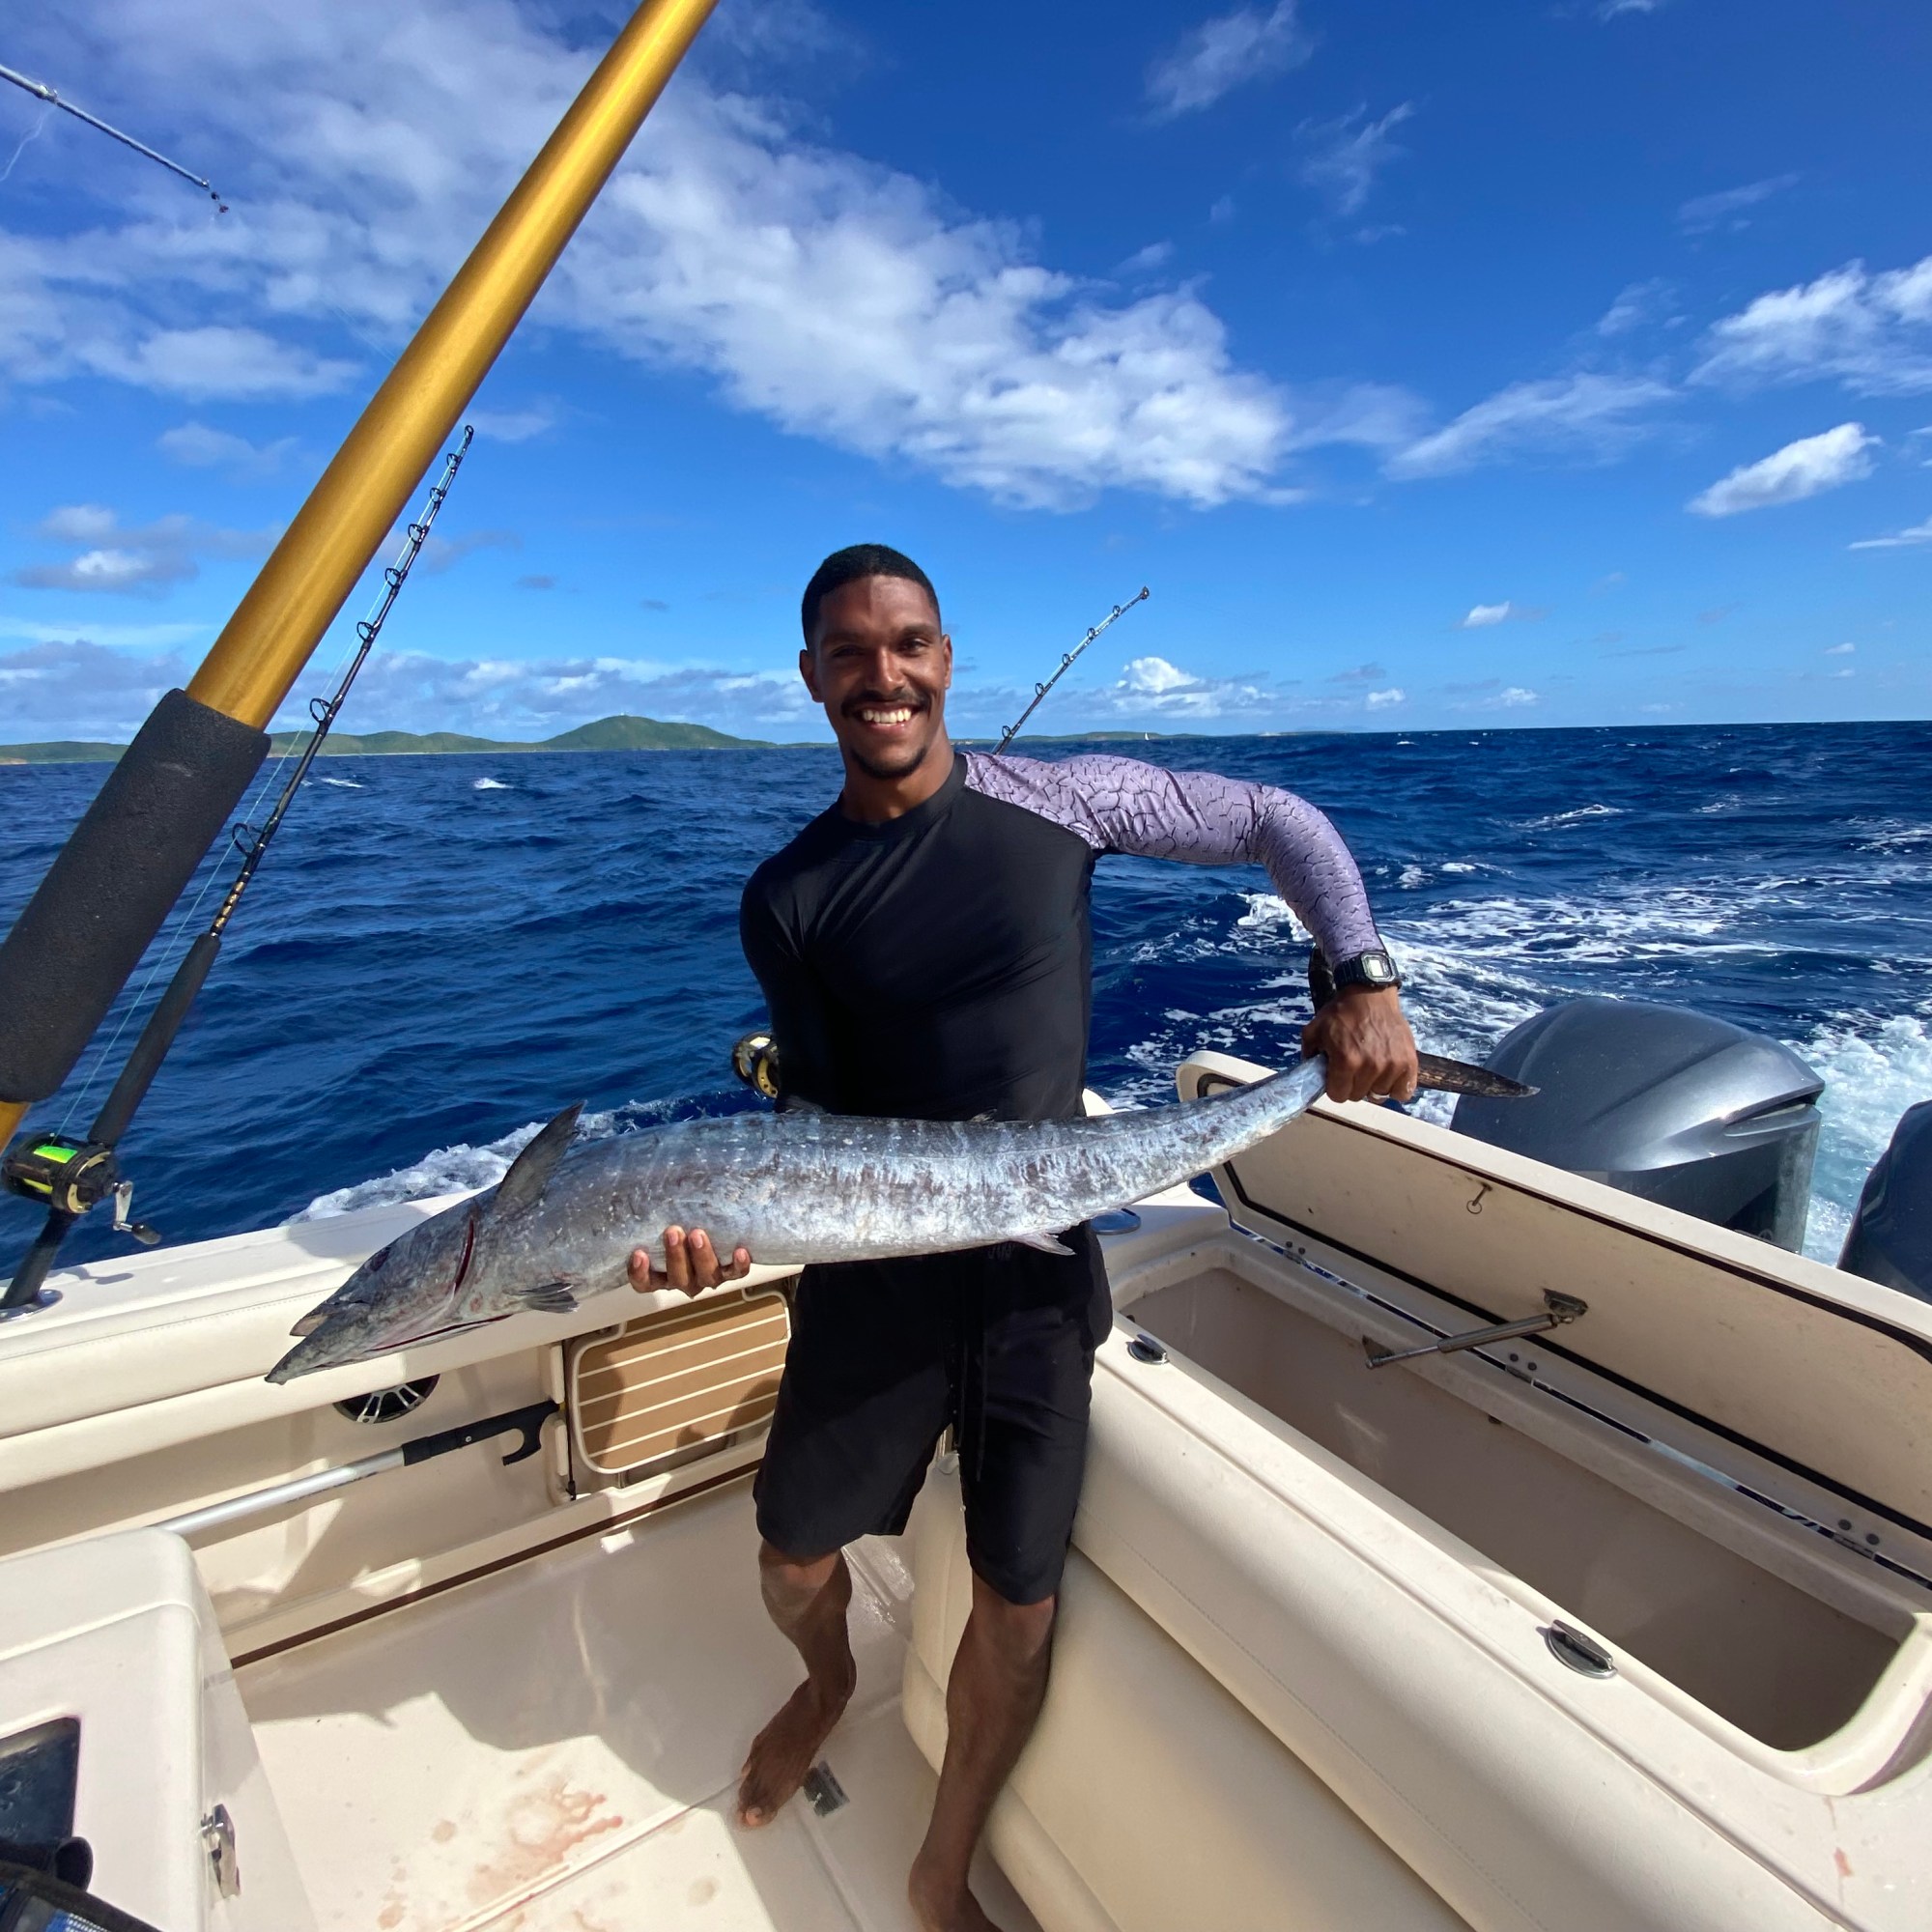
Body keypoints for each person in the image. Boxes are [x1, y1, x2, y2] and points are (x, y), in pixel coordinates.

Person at [628, 544, 1418, 1932]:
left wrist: (1356, 977)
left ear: (946, 659)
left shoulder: (1062, 800)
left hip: (1036, 1277)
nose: (884, 676)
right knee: (791, 1560)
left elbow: (1278, 822)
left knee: (1019, 1603)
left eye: (909, 644)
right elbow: (814, 1119)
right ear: (810, 676)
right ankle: (829, 1682)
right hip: (875, 1279)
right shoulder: (786, 895)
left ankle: (940, 1868)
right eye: (851, 652)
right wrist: (726, 1233)